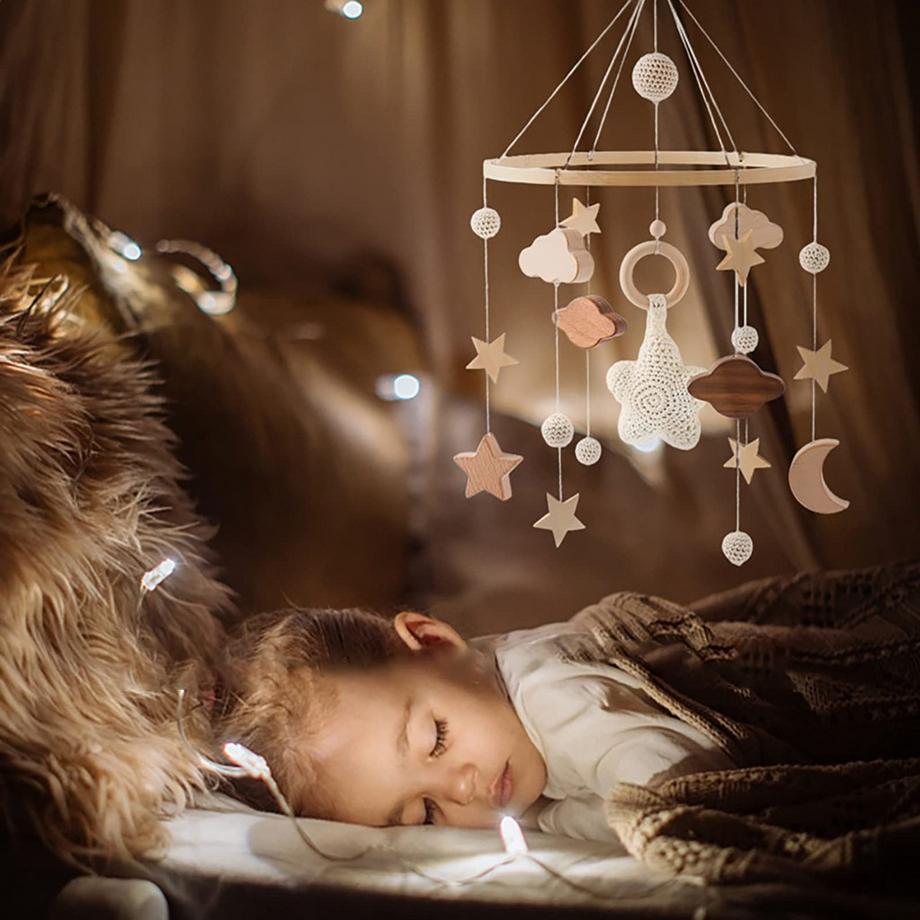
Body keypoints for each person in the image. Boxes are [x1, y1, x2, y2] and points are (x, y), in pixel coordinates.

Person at [214, 604, 732, 841]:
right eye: (425, 813)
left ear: (436, 646)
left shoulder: (554, 696)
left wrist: (564, 819)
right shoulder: (509, 760)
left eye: (436, 738)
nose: (462, 789)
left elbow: (687, 796)